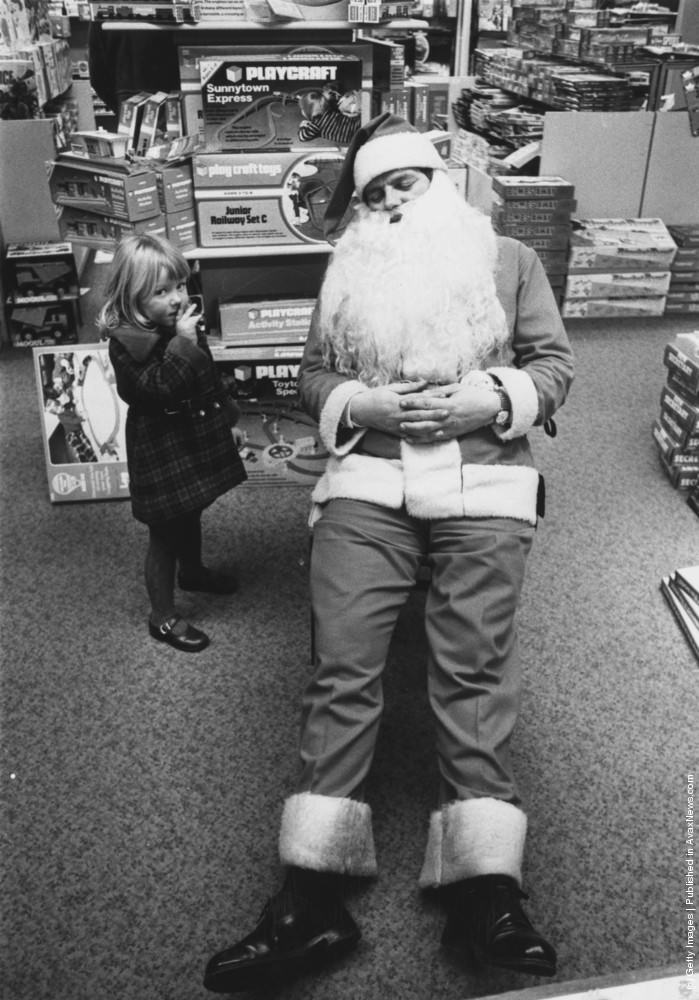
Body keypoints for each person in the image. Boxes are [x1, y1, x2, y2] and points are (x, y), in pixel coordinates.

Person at [203, 113, 574, 990]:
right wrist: (358, 407)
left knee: (472, 669)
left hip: (482, 481)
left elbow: (554, 365)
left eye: (402, 184)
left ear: (436, 182)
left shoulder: (507, 261)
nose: (390, 203)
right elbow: (312, 377)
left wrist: (488, 396)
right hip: (367, 486)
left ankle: (487, 887)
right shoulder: (347, 274)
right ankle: (310, 896)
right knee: (342, 666)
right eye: (373, 194)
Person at [97, 234, 247, 653]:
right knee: (164, 532)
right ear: (131, 298)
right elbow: (160, 387)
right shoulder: (125, 344)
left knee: (192, 507)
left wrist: (227, 417)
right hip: (160, 444)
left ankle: (193, 571)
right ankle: (161, 617)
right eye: (161, 292)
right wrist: (183, 341)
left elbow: (204, 374)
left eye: (179, 285)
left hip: (192, 434)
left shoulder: (172, 325)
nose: (177, 298)